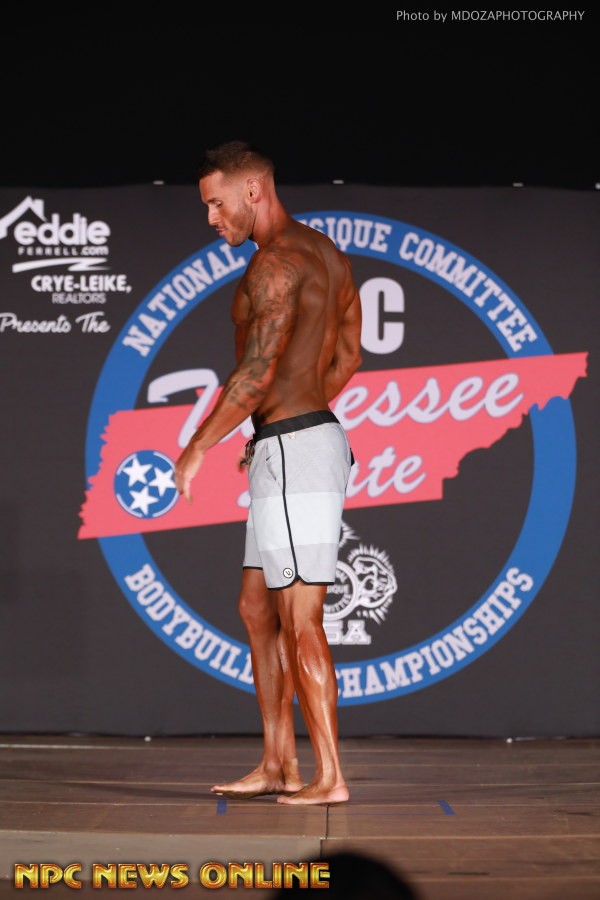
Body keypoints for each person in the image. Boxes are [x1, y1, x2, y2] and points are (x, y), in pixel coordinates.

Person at [174, 140, 362, 806]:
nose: (211, 218)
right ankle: (278, 762)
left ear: (252, 190)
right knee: (257, 608)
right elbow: (348, 355)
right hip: (288, 443)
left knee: (299, 616)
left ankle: (330, 776)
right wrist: (287, 418)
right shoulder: (328, 255)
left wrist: (199, 445)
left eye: (216, 203)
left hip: (293, 453)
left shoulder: (275, 263)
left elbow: (255, 372)